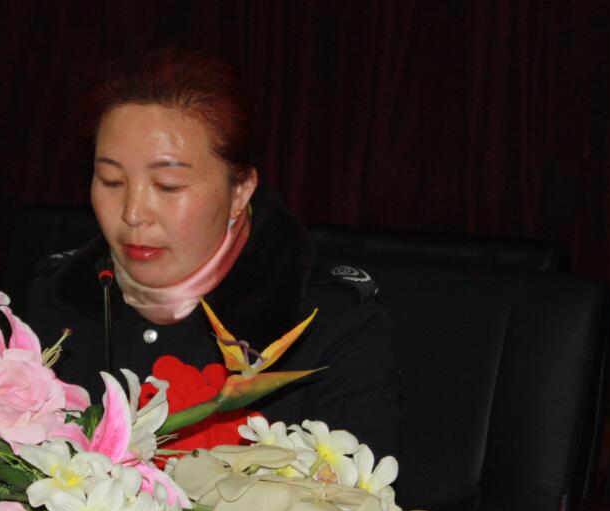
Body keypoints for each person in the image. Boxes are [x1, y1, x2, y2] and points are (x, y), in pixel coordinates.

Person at [25, 50, 399, 459]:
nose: (133, 213)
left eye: (168, 186)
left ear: (240, 191)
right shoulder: (57, 301)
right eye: (111, 180)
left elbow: (350, 494)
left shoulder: (330, 328)